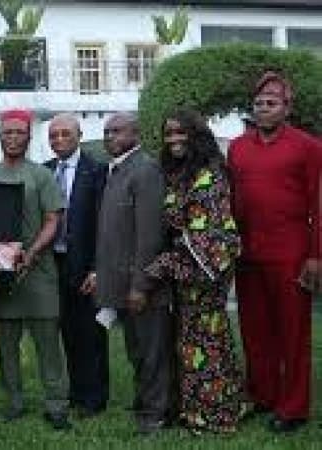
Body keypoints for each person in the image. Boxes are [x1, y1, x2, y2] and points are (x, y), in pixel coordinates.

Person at [228, 71, 322, 433]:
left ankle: (294, 407)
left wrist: (315, 255)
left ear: (287, 107)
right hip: (246, 252)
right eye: (259, 104)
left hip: (292, 255)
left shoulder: (308, 146)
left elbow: (318, 203)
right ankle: (262, 395)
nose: (264, 109)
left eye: (272, 103)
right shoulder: (237, 147)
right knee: (254, 331)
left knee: (293, 334)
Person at [146, 109, 246, 434]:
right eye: (169, 133)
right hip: (185, 270)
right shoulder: (179, 173)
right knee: (192, 344)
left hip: (205, 270)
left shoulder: (211, 173)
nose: (173, 139)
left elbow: (208, 233)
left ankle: (215, 416)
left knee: (206, 343)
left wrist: (164, 264)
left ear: (195, 134)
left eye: (180, 132)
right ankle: (198, 409)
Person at [0, 109, 71, 431]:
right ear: (0, 136)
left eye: (19, 132)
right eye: (8, 132)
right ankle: (14, 401)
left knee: (48, 343)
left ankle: (57, 404)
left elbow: (53, 220)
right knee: (6, 345)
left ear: (29, 137)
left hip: (39, 273)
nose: (13, 137)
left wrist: (31, 253)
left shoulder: (41, 176)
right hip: (2, 276)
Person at [95, 112, 171, 435]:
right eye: (106, 132)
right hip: (120, 283)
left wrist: (141, 285)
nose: (110, 136)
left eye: (117, 131)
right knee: (137, 350)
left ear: (136, 134)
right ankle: (145, 402)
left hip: (142, 286)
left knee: (153, 352)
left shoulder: (145, 170)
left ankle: (155, 414)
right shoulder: (118, 170)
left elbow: (150, 235)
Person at [43, 113, 109, 418]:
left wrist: (97, 267)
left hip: (85, 263)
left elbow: (105, 223)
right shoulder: (46, 172)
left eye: (65, 134)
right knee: (67, 330)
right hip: (53, 263)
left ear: (79, 135)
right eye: (53, 135)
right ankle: (75, 392)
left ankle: (94, 399)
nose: (58, 140)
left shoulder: (97, 171)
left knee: (90, 333)